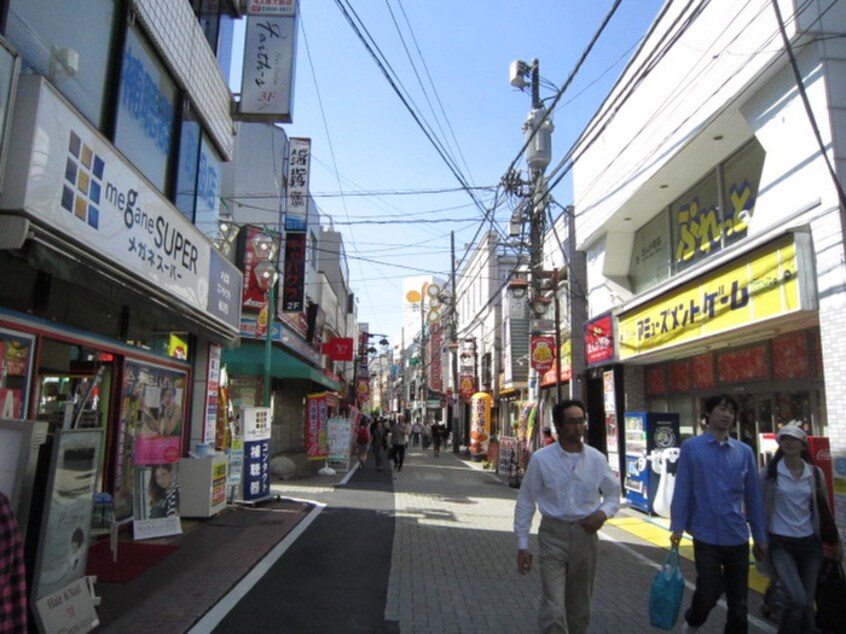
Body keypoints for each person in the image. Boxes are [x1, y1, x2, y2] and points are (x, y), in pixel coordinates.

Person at [514, 399, 621, 634]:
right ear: (558, 425)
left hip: (586, 535)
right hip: (553, 534)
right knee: (554, 607)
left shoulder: (597, 459)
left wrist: (602, 514)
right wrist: (522, 545)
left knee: (579, 608)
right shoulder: (542, 459)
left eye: (581, 421)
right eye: (571, 422)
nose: (578, 427)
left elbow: (614, 494)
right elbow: (525, 501)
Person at [670, 393, 768, 634]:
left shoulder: (744, 452)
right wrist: (677, 526)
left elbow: (753, 497)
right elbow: (683, 488)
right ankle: (693, 621)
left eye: (731, 411)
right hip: (705, 535)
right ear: (708, 414)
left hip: (737, 535)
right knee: (709, 591)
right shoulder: (692, 447)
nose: (727, 415)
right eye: (722, 409)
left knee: (739, 602)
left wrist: (761, 537)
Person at [761, 422, 840, 633]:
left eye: (794, 439)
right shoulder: (769, 473)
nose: (789, 442)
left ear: (803, 445)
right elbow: (756, 507)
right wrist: (759, 539)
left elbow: (823, 509)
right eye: (785, 439)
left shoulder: (814, 474)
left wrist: (835, 540)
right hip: (780, 543)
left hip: (810, 544)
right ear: (779, 444)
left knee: (806, 603)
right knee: (797, 599)